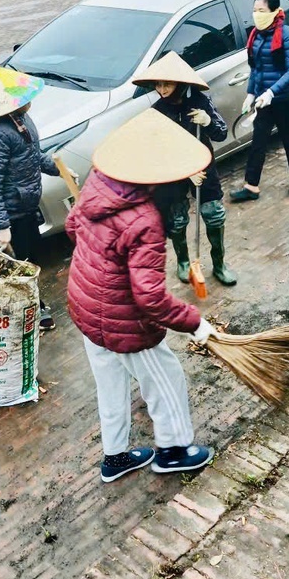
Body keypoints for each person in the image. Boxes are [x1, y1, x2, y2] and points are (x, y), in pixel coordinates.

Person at [65, 109, 216, 483]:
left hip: (85, 308)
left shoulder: (99, 183)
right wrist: (195, 323)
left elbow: (72, 228)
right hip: (124, 321)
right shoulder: (145, 219)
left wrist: (101, 265)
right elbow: (149, 299)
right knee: (165, 378)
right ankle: (173, 450)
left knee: (111, 385)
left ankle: (115, 458)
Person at [0, 65, 72, 331]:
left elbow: (31, 155)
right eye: (23, 98)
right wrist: (1, 226)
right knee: (17, 268)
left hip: (25, 206)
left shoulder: (20, 119)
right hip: (8, 213)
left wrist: (58, 168)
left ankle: (31, 306)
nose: (29, 102)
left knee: (30, 259)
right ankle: (28, 312)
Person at [132, 51, 236, 286]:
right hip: (174, 172)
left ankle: (219, 264)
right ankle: (183, 262)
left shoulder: (199, 101)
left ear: (179, 82)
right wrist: (186, 170)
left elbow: (220, 133)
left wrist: (208, 121)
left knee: (213, 214)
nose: (162, 89)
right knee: (177, 219)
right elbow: (158, 152)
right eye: (158, 84)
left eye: (167, 83)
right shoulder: (158, 111)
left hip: (203, 164)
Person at [230, 0, 289, 202]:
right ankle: (251, 186)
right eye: (254, 11)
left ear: (274, 12)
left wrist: (272, 92)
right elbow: (256, 68)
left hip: (284, 99)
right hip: (263, 99)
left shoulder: (288, 36)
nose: (257, 15)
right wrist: (251, 93)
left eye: (261, 11)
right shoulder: (256, 35)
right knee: (258, 141)